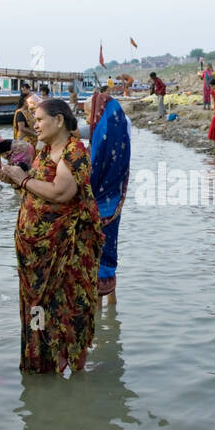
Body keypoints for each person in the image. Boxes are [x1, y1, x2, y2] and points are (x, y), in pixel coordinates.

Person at [0, 98, 105, 373]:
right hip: (36, 259)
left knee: (70, 308)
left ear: (59, 121)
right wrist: (16, 181)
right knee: (38, 310)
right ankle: (41, 367)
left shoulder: (74, 152)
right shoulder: (44, 152)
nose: (35, 124)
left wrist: (22, 180)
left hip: (67, 253)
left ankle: (73, 372)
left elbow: (60, 192)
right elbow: (37, 192)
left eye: (40, 119)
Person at [86, 87, 133, 301]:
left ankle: (100, 325)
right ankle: (112, 316)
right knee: (109, 248)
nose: (88, 118)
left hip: (97, 204)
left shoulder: (100, 139)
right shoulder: (119, 129)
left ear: (97, 113)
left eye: (88, 113)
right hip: (114, 201)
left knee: (94, 254)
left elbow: (90, 174)